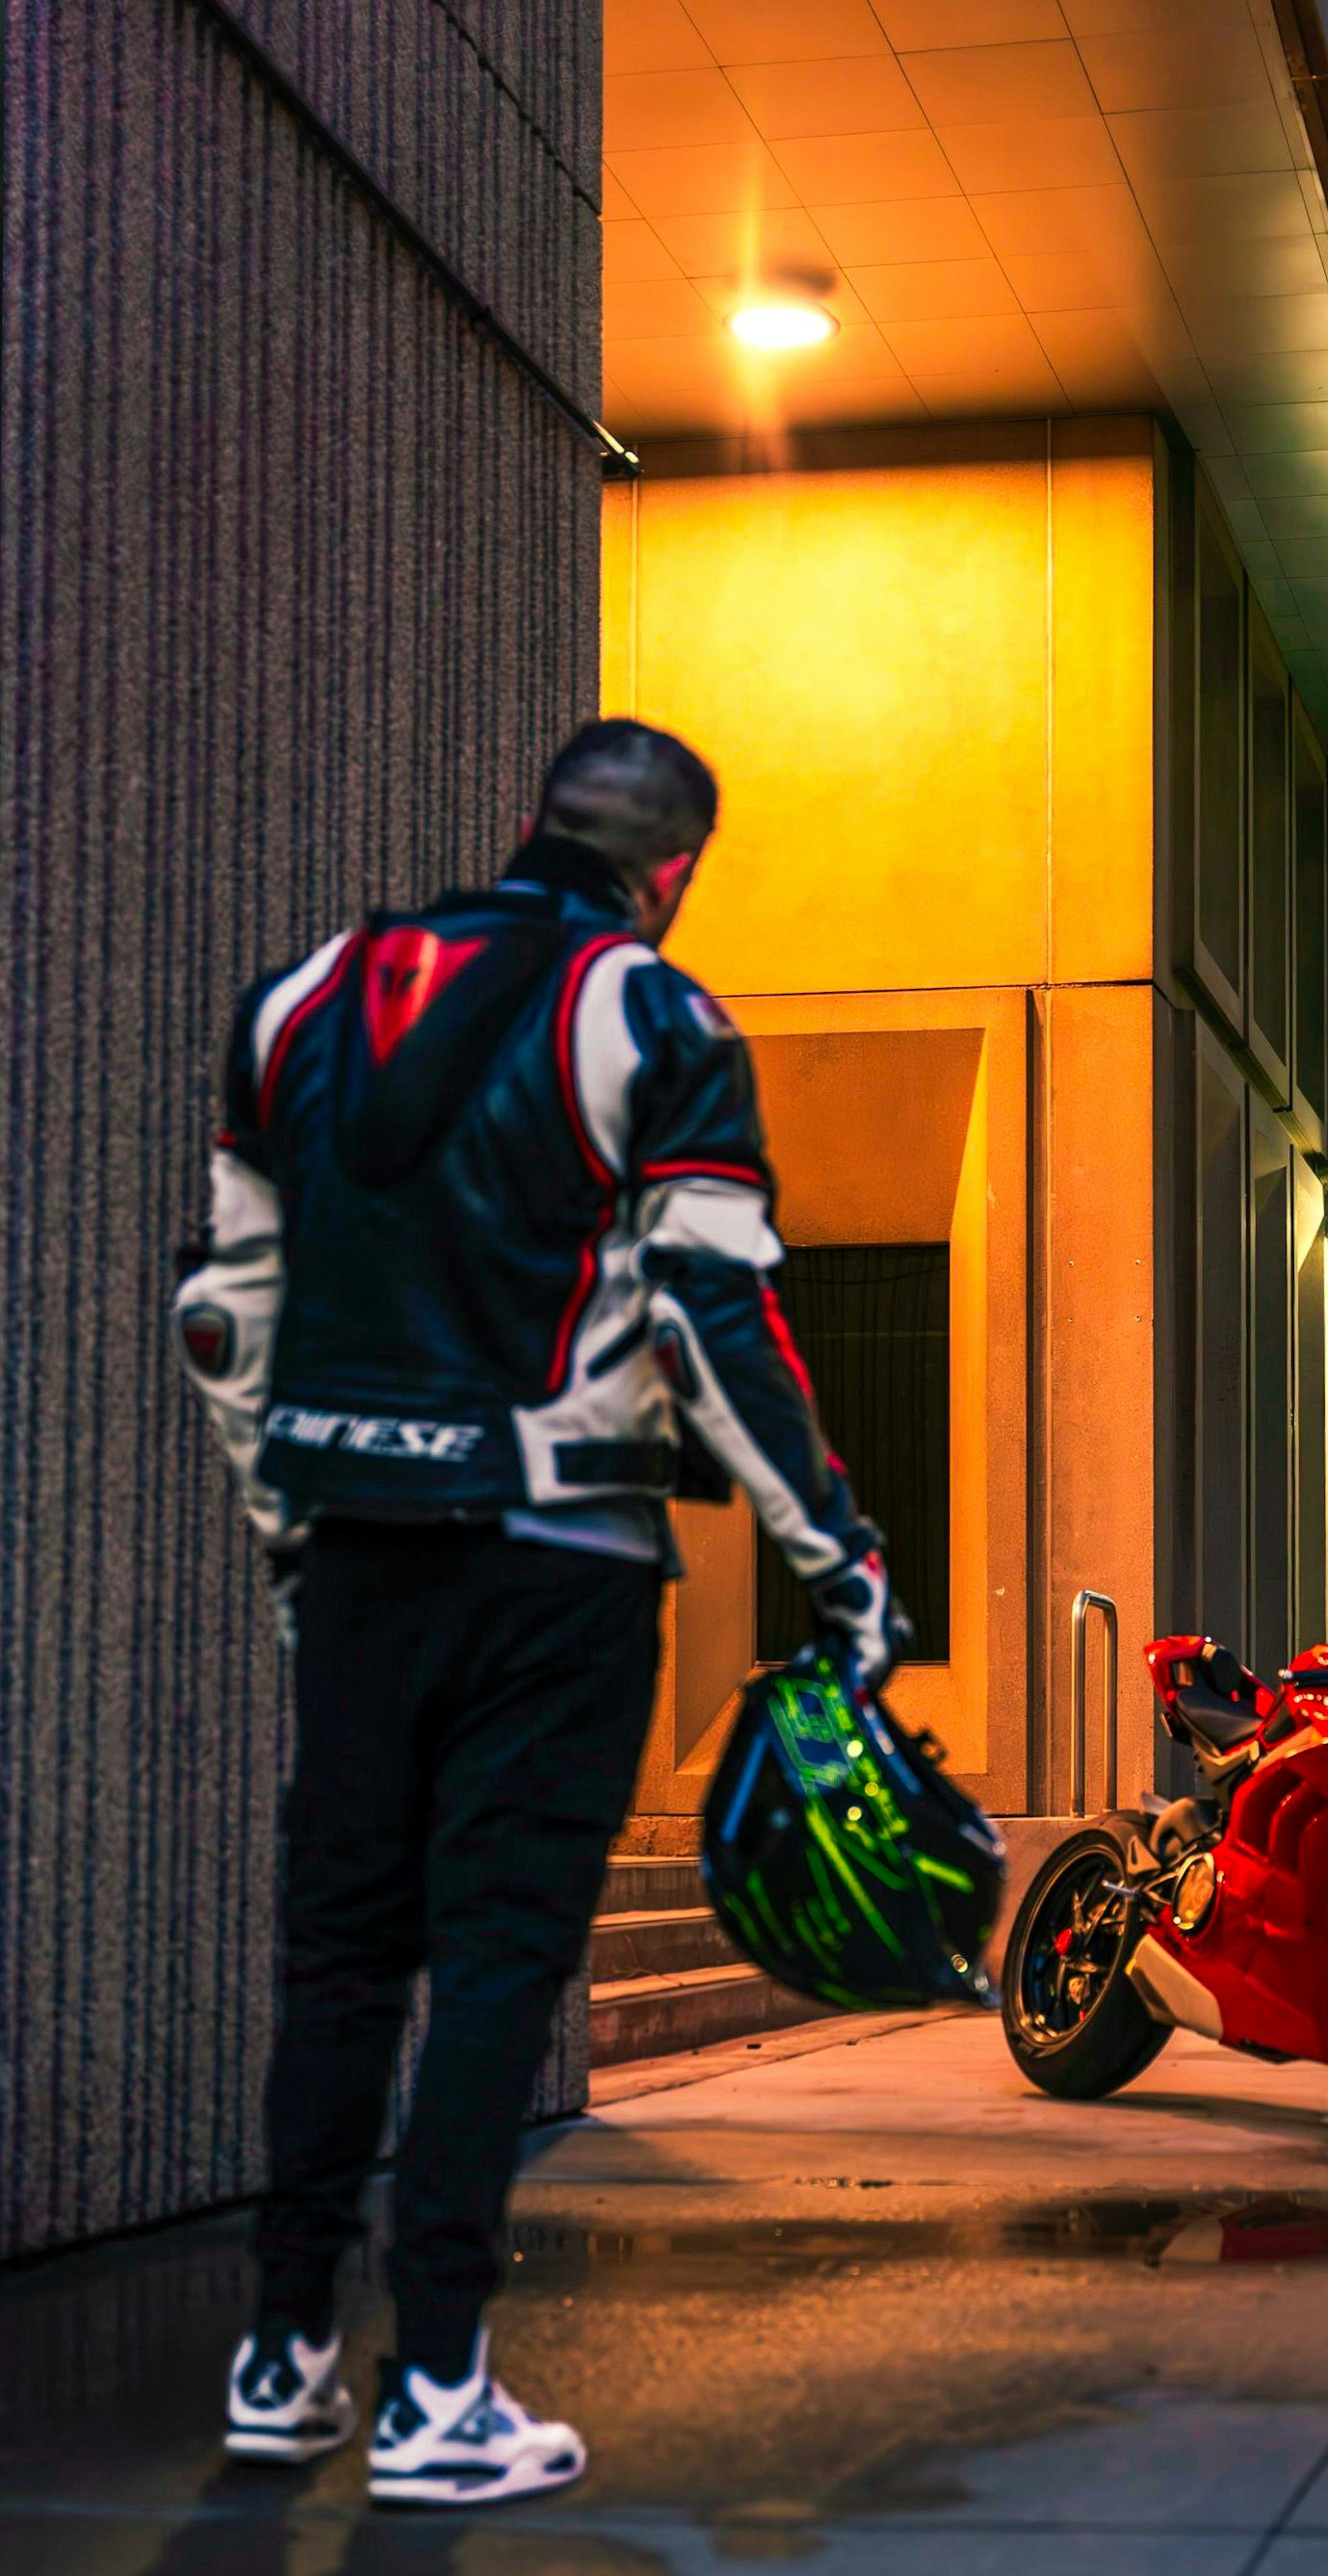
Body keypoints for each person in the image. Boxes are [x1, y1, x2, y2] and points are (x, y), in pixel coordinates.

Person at [174, 718, 904, 2508]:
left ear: (529, 828)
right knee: (499, 1958)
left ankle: (281, 2357)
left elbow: (224, 1308)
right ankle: (438, 2390)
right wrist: (839, 1556)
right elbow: (710, 1320)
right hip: (556, 1563)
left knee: (339, 1951)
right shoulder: (656, 1018)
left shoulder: (302, 1002)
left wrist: (292, 1528)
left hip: (355, 1547)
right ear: (675, 870)